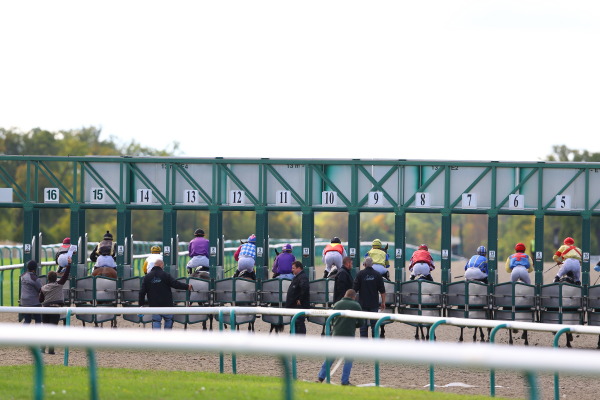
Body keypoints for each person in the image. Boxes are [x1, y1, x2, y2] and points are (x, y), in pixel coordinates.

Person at [317, 289, 363, 386]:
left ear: (345, 295)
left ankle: (320, 377)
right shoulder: (356, 306)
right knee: (348, 358)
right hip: (349, 335)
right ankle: (344, 380)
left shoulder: (337, 304)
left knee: (330, 357)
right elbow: (361, 322)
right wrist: (354, 325)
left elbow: (332, 319)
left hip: (336, 334)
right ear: (354, 297)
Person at [139, 259, 192, 330]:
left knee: (156, 321)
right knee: (168, 320)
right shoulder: (166, 275)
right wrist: (187, 286)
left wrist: (141, 305)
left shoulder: (147, 277)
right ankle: (166, 338)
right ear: (161, 265)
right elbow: (175, 284)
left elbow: (142, 292)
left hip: (154, 306)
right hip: (167, 305)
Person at [39, 257, 72, 354]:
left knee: (45, 329)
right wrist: (69, 265)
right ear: (55, 278)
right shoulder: (59, 284)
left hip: (45, 310)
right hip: (55, 309)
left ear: (48, 279)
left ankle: (42, 348)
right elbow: (65, 276)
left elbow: (40, 300)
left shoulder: (43, 287)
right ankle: (51, 350)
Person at [353, 257, 386, 338]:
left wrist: (352, 302)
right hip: (374, 304)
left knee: (363, 327)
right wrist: (383, 302)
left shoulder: (360, 274)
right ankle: (374, 345)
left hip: (363, 304)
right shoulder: (377, 274)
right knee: (374, 326)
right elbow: (382, 291)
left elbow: (354, 290)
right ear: (372, 264)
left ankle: (364, 346)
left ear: (364, 264)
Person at [285, 261, 310, 334]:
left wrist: (300, 300)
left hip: (298, 307)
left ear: (299, 268)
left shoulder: (302, 277)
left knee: (298, 325)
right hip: (295, 307)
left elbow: (304, 288)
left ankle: (299, 341)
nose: (292, 270)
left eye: (293, 268)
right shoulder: (299, 277)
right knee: (295, 324)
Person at [20, 260, 42, 324]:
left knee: (27, 320)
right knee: (38, 320)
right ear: (35, 268)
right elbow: (40, 289)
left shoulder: (23, 276)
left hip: (23, 301)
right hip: (34, 302)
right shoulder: (35, 278)